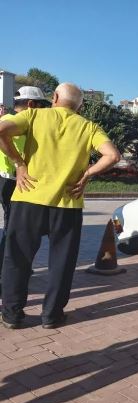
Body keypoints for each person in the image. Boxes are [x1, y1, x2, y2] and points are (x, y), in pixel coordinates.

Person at [0, 83, 121, 329]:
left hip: (28, 198)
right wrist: (87, 175)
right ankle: (52, 315)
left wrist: (19, 164)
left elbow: (1, 130)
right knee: (62, 263)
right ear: (80, 107)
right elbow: (113, 156)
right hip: (67, 205)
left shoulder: (34, 115)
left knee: (17, 259)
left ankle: (12, 315)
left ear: (54, 97)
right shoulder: (88, 127)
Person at [0, 87, 48, 289]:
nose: (43, 110)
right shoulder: (18, 123)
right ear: (31, 104)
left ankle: (12, 269)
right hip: (13, 181)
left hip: (7, 180)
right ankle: (5, 274)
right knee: (14, 228)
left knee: (13, 226)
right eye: (41, 105)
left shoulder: (7, 120)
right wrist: (19, 163)